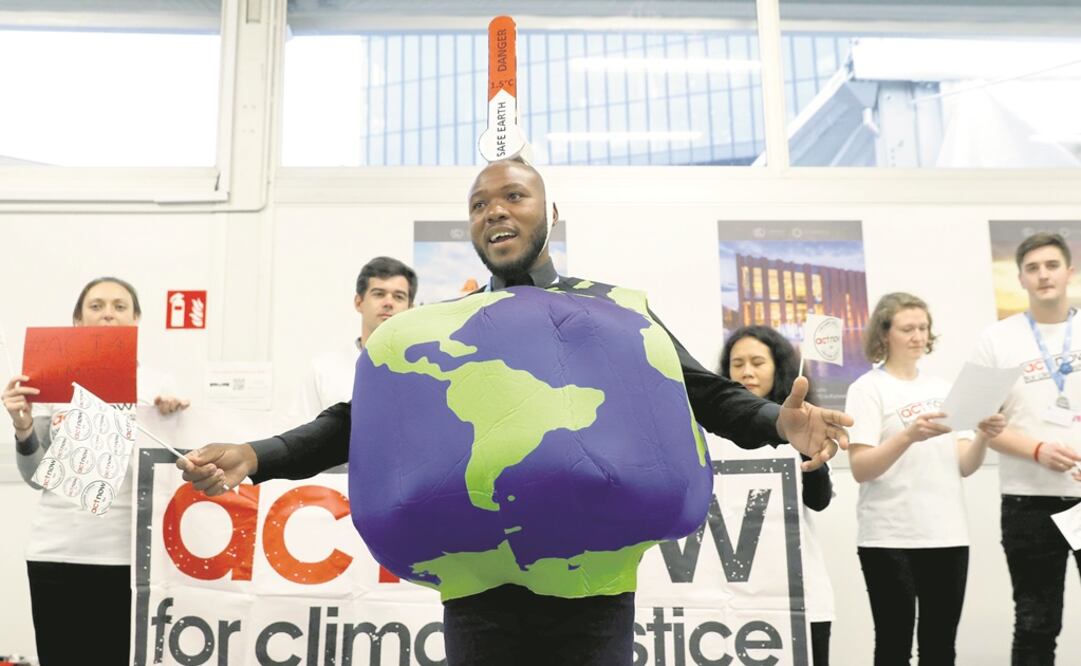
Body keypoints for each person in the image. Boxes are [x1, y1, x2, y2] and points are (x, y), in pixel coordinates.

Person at [179, 158, 852, 665]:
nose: (494, 212)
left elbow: (701, 393)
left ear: (549, 213)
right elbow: (360, 421)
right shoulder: (443, 329)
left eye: (512, 197)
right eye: (478, 204)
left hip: (592, 586)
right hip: (478, 586)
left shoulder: (616, 314)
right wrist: (256, 455)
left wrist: (778, 423)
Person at [2, 277, 189, 666]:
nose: (108, 314)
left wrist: (174, 422)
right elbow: (35, 477)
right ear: (77, 320)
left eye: (120, 307)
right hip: (57, 553)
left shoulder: (160, 387)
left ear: (135, 319)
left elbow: (178, 475)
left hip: (132, 559)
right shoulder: (49, 381)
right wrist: (22, 427)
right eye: (97, 305)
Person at [845, 292, 1005, 666]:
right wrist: (907, 436)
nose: (918, 336)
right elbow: (861, 467)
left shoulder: (944, 389)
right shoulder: (867, 388)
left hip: (947, 534)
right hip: (888, 537)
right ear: (884, 334)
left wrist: (983, 435)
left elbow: (964, 465)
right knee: (893, 644)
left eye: (923, 328)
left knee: (940, 646)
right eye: (907, 329)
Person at [973, 232, 1081, 666]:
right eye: (1033, 268)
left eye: (1052, 265)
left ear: (1069, 272)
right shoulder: (997, 339)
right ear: (1020, 278)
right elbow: (978, 421)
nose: (1043, 275)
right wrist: (1037, 449)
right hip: (1028, 503)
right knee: (1036, 625)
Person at [719, 325, 835, 666]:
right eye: (737, 363)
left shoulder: (799, 427)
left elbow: (819, 500)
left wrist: (809, 453)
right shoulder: (711, 433)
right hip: (731, 597)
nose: (747, 372)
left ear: (779, 368)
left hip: (797, 591)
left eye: (757, 362)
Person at [293, 256, 417, 416]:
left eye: (399, 297)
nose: (388, 302)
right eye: (379, 294)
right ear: (359, 302)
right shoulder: (323, 369)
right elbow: (301, 429)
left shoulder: (424, 375)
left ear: (410, 308)